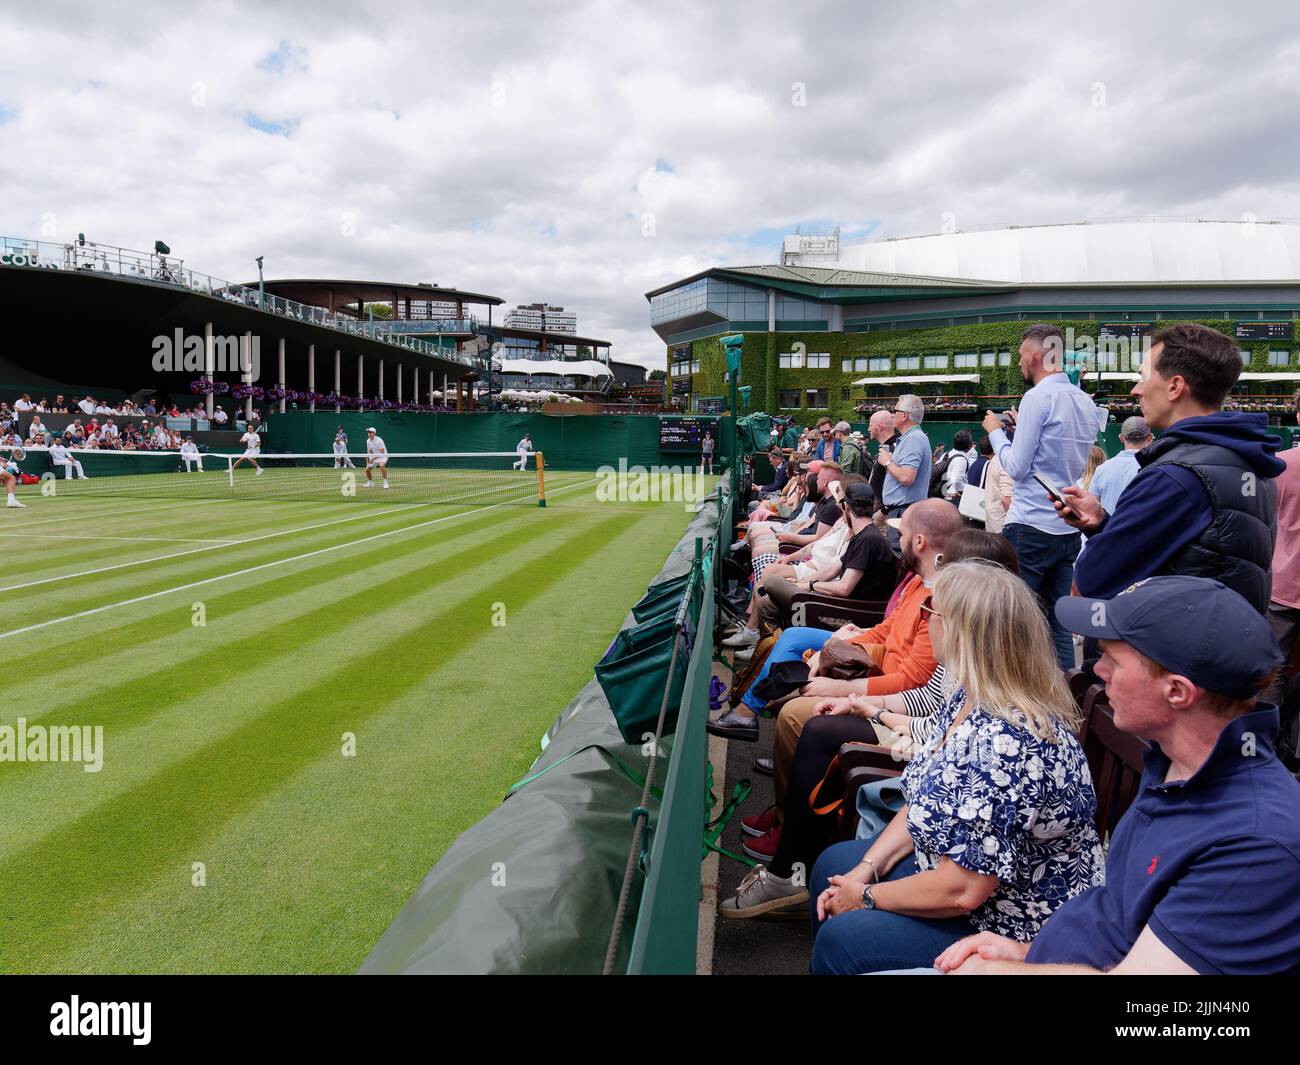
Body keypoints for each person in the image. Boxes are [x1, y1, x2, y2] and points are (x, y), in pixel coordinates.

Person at [936, 576, 1298, 975]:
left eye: (1112, 658)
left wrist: (997, 972)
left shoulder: (1255, 845)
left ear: (1177, 691)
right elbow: (1122, 924)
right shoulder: (1180, 766)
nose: (1097, 669)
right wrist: (1026, 953)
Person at [794, 561, 1102, 973]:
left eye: (930, 612)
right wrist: (866, 870)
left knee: (844, 941)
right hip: (960, 874)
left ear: (959, 630)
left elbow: (964, 890)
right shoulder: (969, 697)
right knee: (834, 867)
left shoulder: (1005, 742)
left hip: (1015, 926)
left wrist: (864, 897)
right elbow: (923, 795)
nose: (926, 620)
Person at [723, 530, 1019, 886]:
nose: (931, 605)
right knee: (805, 687)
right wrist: (867, 704)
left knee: (812, 722)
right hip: (908, 718)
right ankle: (791, 827)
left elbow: (940, 727)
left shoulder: (990, 678)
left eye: (937, 603)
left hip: (920, 754)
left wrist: (860, 699)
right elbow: (930, 698)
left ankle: (792, 860)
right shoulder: (957, 636)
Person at [1054, 323, 1285, 615]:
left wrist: (1103, 539)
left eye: (1142, 376)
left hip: (1167, 648)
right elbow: (1191, 556)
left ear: (1175, 386)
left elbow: (1094, 578)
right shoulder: (1246, 458)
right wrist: (1100, 522)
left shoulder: (1176, 475)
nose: (1135, 390)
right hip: (1216, 643)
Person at [982, 323, 1107, 669]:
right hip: (1066, 529)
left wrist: (996, 435)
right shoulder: (1083, 401)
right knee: (1056, 626)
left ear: (1036, 355)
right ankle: (1066, 699)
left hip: (1030, 527)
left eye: (1021, 355)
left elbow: (1018, 467)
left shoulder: (1036, 398)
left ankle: (1011, 702)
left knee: (1011, 622)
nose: (1019, 363)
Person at [752, 482, 896, 632]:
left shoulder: (868, 540)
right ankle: (773, 650)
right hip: (837, 605)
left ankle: (790, 638)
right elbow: (832, 569)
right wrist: (801, 582)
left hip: (845, 613)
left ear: (847, 507)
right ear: (872, 507)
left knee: (771, 581)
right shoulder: (864, 535)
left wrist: (810, 586)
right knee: (766, 605)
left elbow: (844, 588)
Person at [1263, 390, 1299, 705]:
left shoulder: (1280, 467)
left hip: (1284, 585)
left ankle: (1266, 741)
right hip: (1284, 586)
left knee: (1271, 665)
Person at [877, 395, 931, 547]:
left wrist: (887, 461)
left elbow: (907, 477)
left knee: (900, 554)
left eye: (895, 410)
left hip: (904, 511)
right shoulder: (911, 438)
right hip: (902, 510)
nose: (892, 414)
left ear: (905, 415)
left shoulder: (913, 438)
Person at [1088, 415, 1152, 516]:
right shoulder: (1157, 468)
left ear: (1121, 438)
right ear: (1150, 438)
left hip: (1110, 529)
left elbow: (1091, 507)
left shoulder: (1102, 469)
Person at [940, 429, 976, 502]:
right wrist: (970, 490)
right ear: (969, 446)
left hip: (939, 493)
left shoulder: (946, 454)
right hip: (950, 498)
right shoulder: (961, 460)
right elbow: (957, 481)